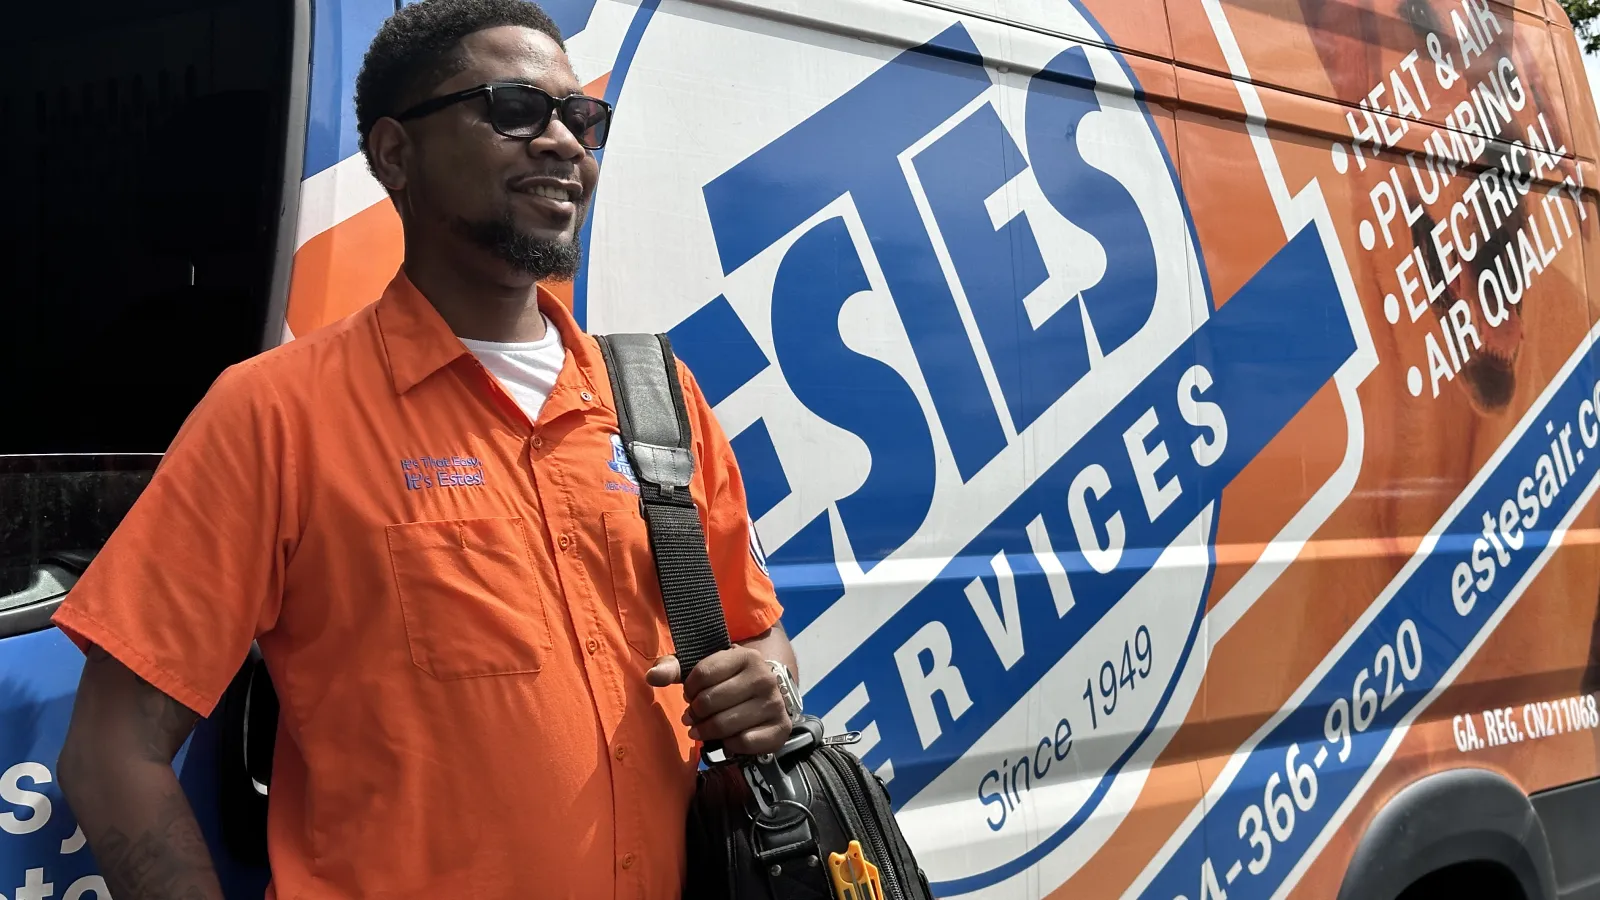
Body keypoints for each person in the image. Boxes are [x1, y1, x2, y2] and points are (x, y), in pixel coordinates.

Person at [51, 1, 801, 897]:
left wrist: (769, 688)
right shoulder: (278, 414)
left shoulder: (656, 399)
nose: (564, 141)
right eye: (517, 108)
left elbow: (764, 643)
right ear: (395, 153)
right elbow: (111, 752)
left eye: (581, 116)